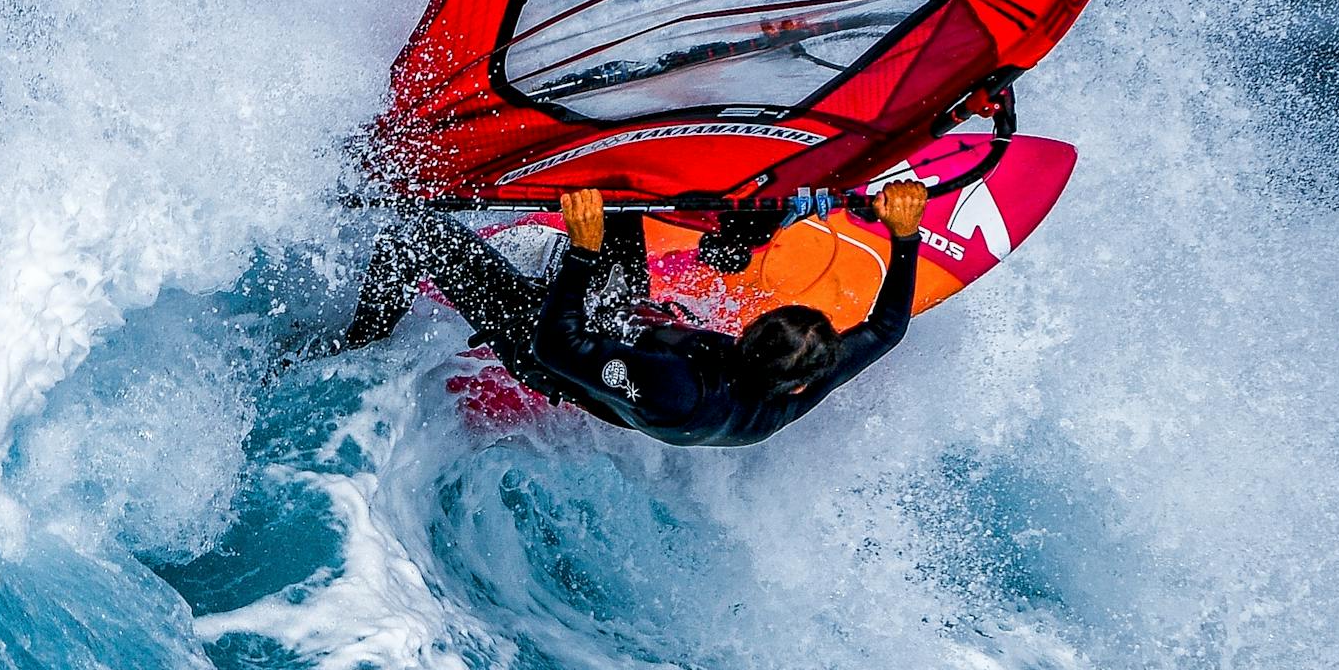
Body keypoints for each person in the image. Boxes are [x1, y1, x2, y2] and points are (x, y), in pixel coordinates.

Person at [332, 179, 932, 447]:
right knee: (622, 185)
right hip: (632, 323)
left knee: (417, 235)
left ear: (746, 335)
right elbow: (887, 329)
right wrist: (906, 236)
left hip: (547, 344)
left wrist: (583, 250)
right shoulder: (799, 381)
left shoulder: (678, 390)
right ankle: (724, 238)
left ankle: (362, 341)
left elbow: (556, 346)